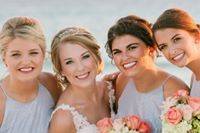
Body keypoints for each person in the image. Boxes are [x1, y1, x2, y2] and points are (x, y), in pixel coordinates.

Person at [105, 15, 189, 132]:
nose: (124, 57)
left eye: (132, 48)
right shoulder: (120, 81)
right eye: (117, 52)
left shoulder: (173, 90)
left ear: (151, 48)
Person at [0, 16, 62, 133]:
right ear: (4, 58)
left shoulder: (51, 84)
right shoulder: (1, 102)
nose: (26, 61)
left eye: (33, 53)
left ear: (43, 55)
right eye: (16, 54)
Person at [49, 27, 115, 133]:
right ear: (61, 70)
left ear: (97, 57)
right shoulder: (63, 118)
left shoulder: (110, 89)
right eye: (69, 62)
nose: (80, 68)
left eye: (85, 56)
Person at [153, 8, 200, 97]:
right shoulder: (194, 77)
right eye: (163, 46)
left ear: (196, 35)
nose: (171, 51)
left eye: (177, 39)